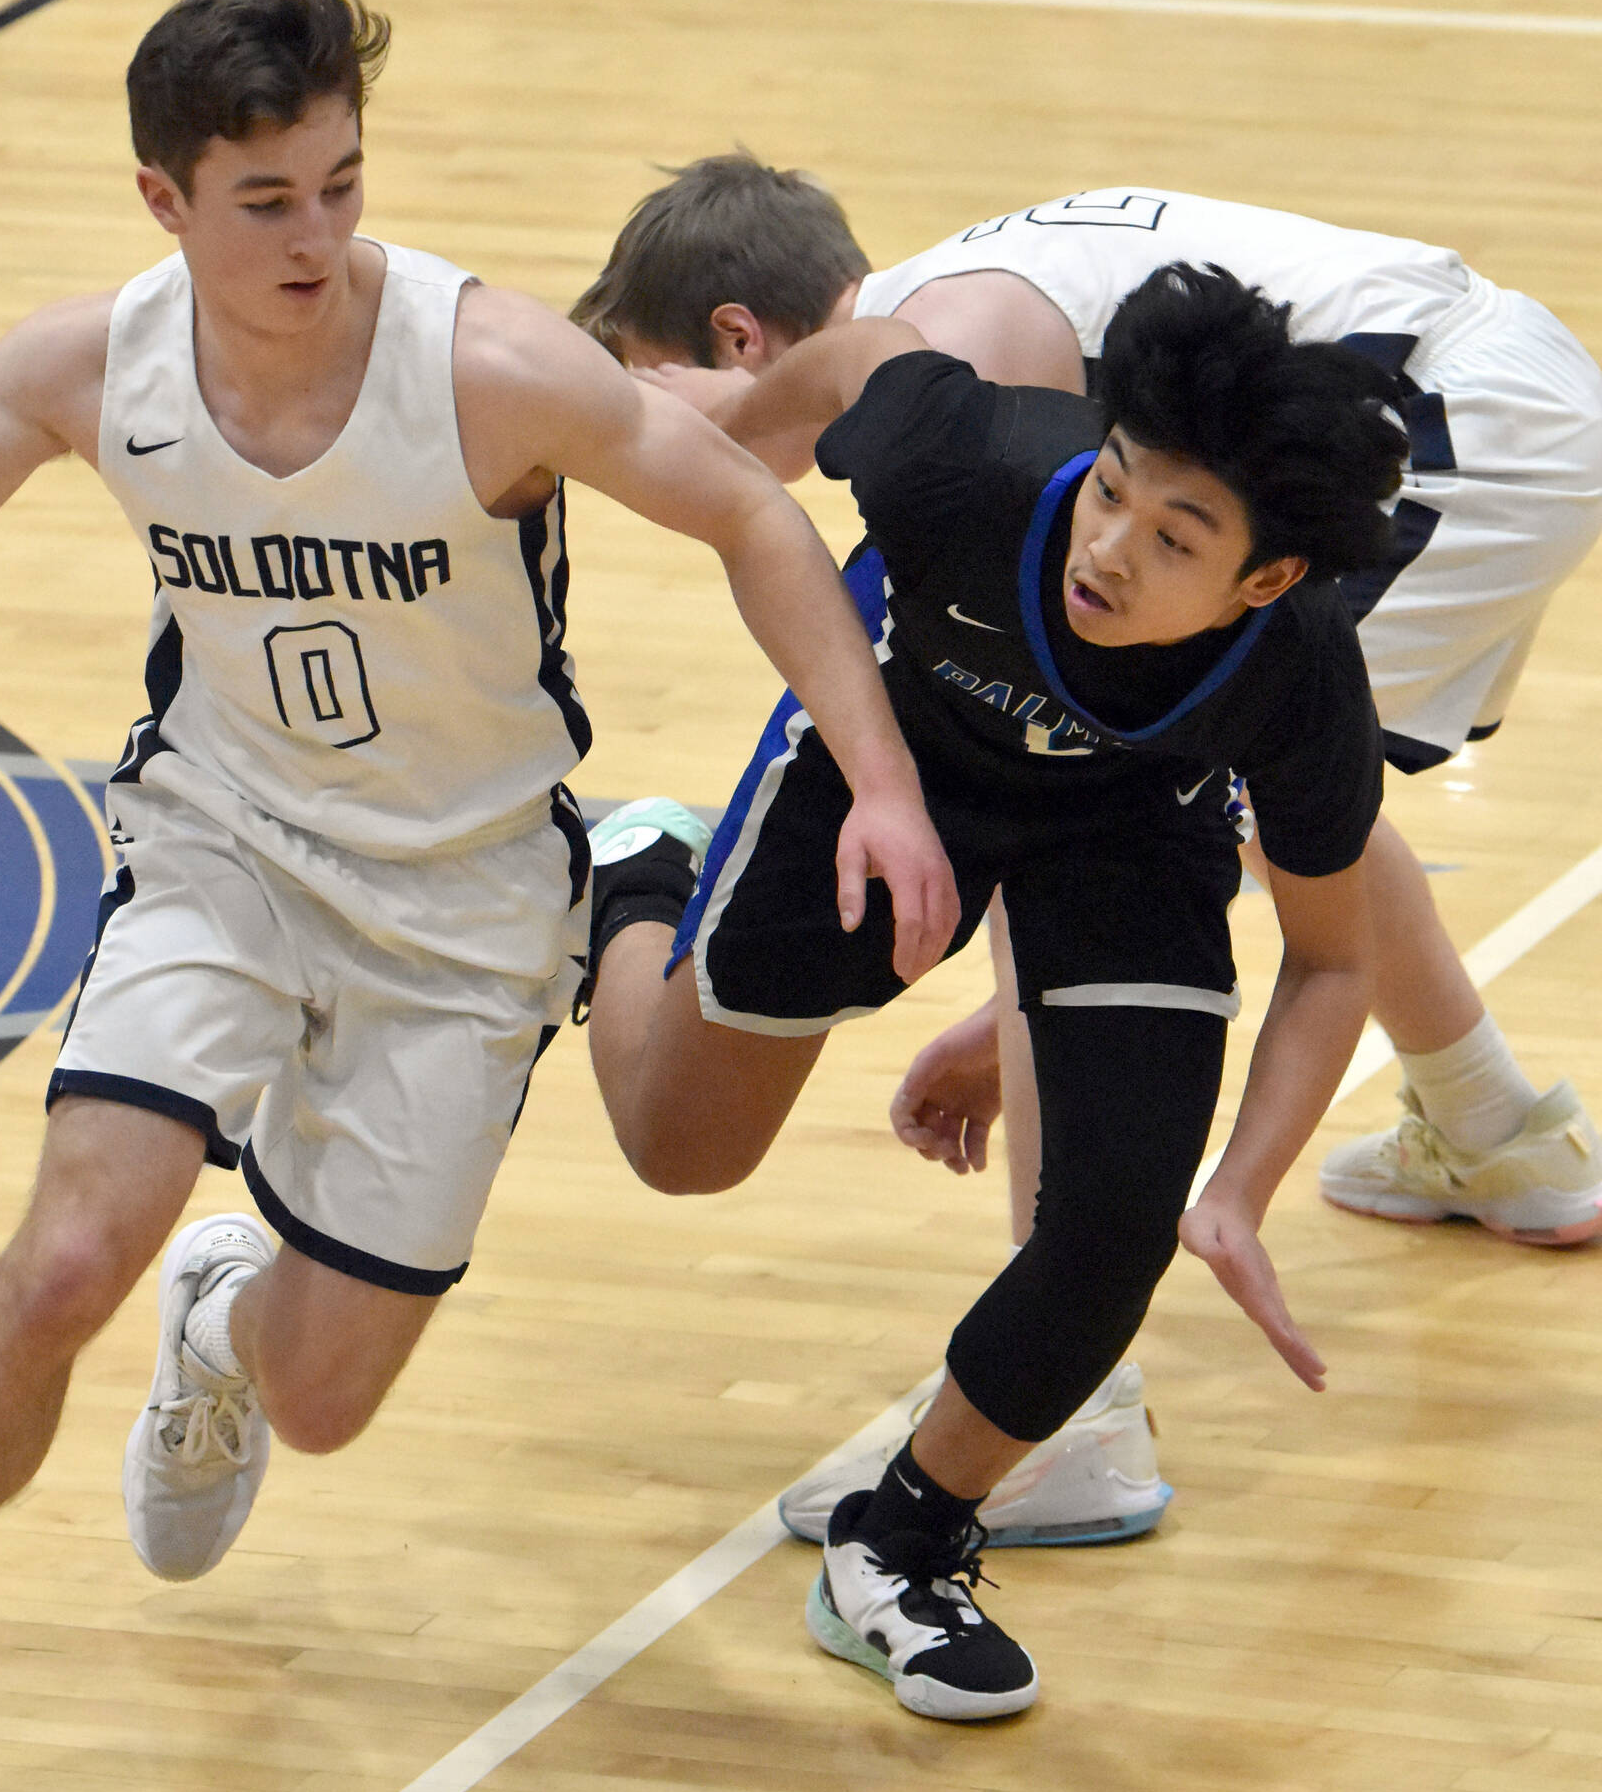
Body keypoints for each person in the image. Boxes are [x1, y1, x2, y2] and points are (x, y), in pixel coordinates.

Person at [0, 0, 941, 1792]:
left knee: (321, 1408)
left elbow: (747, 514)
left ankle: (231, 1316)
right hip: (218, 852)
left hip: (471, 906)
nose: (317, 237)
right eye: (267, 201)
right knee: (69, 1250)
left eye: (339, 184)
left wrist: (875, 778)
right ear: (165, 200)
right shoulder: (90, 365)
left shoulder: (485, 364)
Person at [578, 263, 1404, 1721]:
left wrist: (1241, 1188)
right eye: (1114, 492)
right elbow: (861, 360)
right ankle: (637, 872)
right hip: (893, 756)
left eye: (1175, 537)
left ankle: (897, 1545)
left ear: (1264, 579)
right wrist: (738, 417)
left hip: (1129, 827)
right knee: (678, 1147)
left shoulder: (1299, 673)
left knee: (1116, 1222)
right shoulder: (970, 461)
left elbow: (1335, 956)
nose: (1112, 546)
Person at [575, 157, 1602, 1258]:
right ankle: (1490, 1126)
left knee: (1085, 773)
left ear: (737, 343)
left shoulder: (951, 336)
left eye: (653, 394)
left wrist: (1011, 1025)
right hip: (1517, 404)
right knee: (1287, 794)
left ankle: (1072, 1389)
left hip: (1453, 430)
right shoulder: (957, 300)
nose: (665, 448)